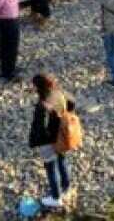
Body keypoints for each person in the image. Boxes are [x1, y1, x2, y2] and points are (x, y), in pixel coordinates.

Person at [29, 74, 76, 210]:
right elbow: (72, 102)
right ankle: (66, 187)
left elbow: (41, 127)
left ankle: (56, 198)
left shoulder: (42, 105)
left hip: (49, 141)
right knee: (62, 161)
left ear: (39, 88)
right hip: (62, 137)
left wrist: (38, 141)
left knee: (50, 168)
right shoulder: (60, 94)